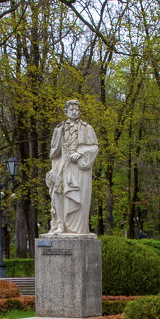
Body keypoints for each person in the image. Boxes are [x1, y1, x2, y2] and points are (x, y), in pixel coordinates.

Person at [44, 99, 99, 235]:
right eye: (71, 109)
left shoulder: (87, 128)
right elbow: (54, 153)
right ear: (66, 111)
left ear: (79, 112)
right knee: (58, 193)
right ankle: (60, 225)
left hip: (77, 170)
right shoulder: (59, 129)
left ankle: (75, 228)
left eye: (76, 110)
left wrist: (80, 152)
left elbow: (94, 148)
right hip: (62, 166)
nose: (74, 112)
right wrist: (53, 169)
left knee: (74, 196)